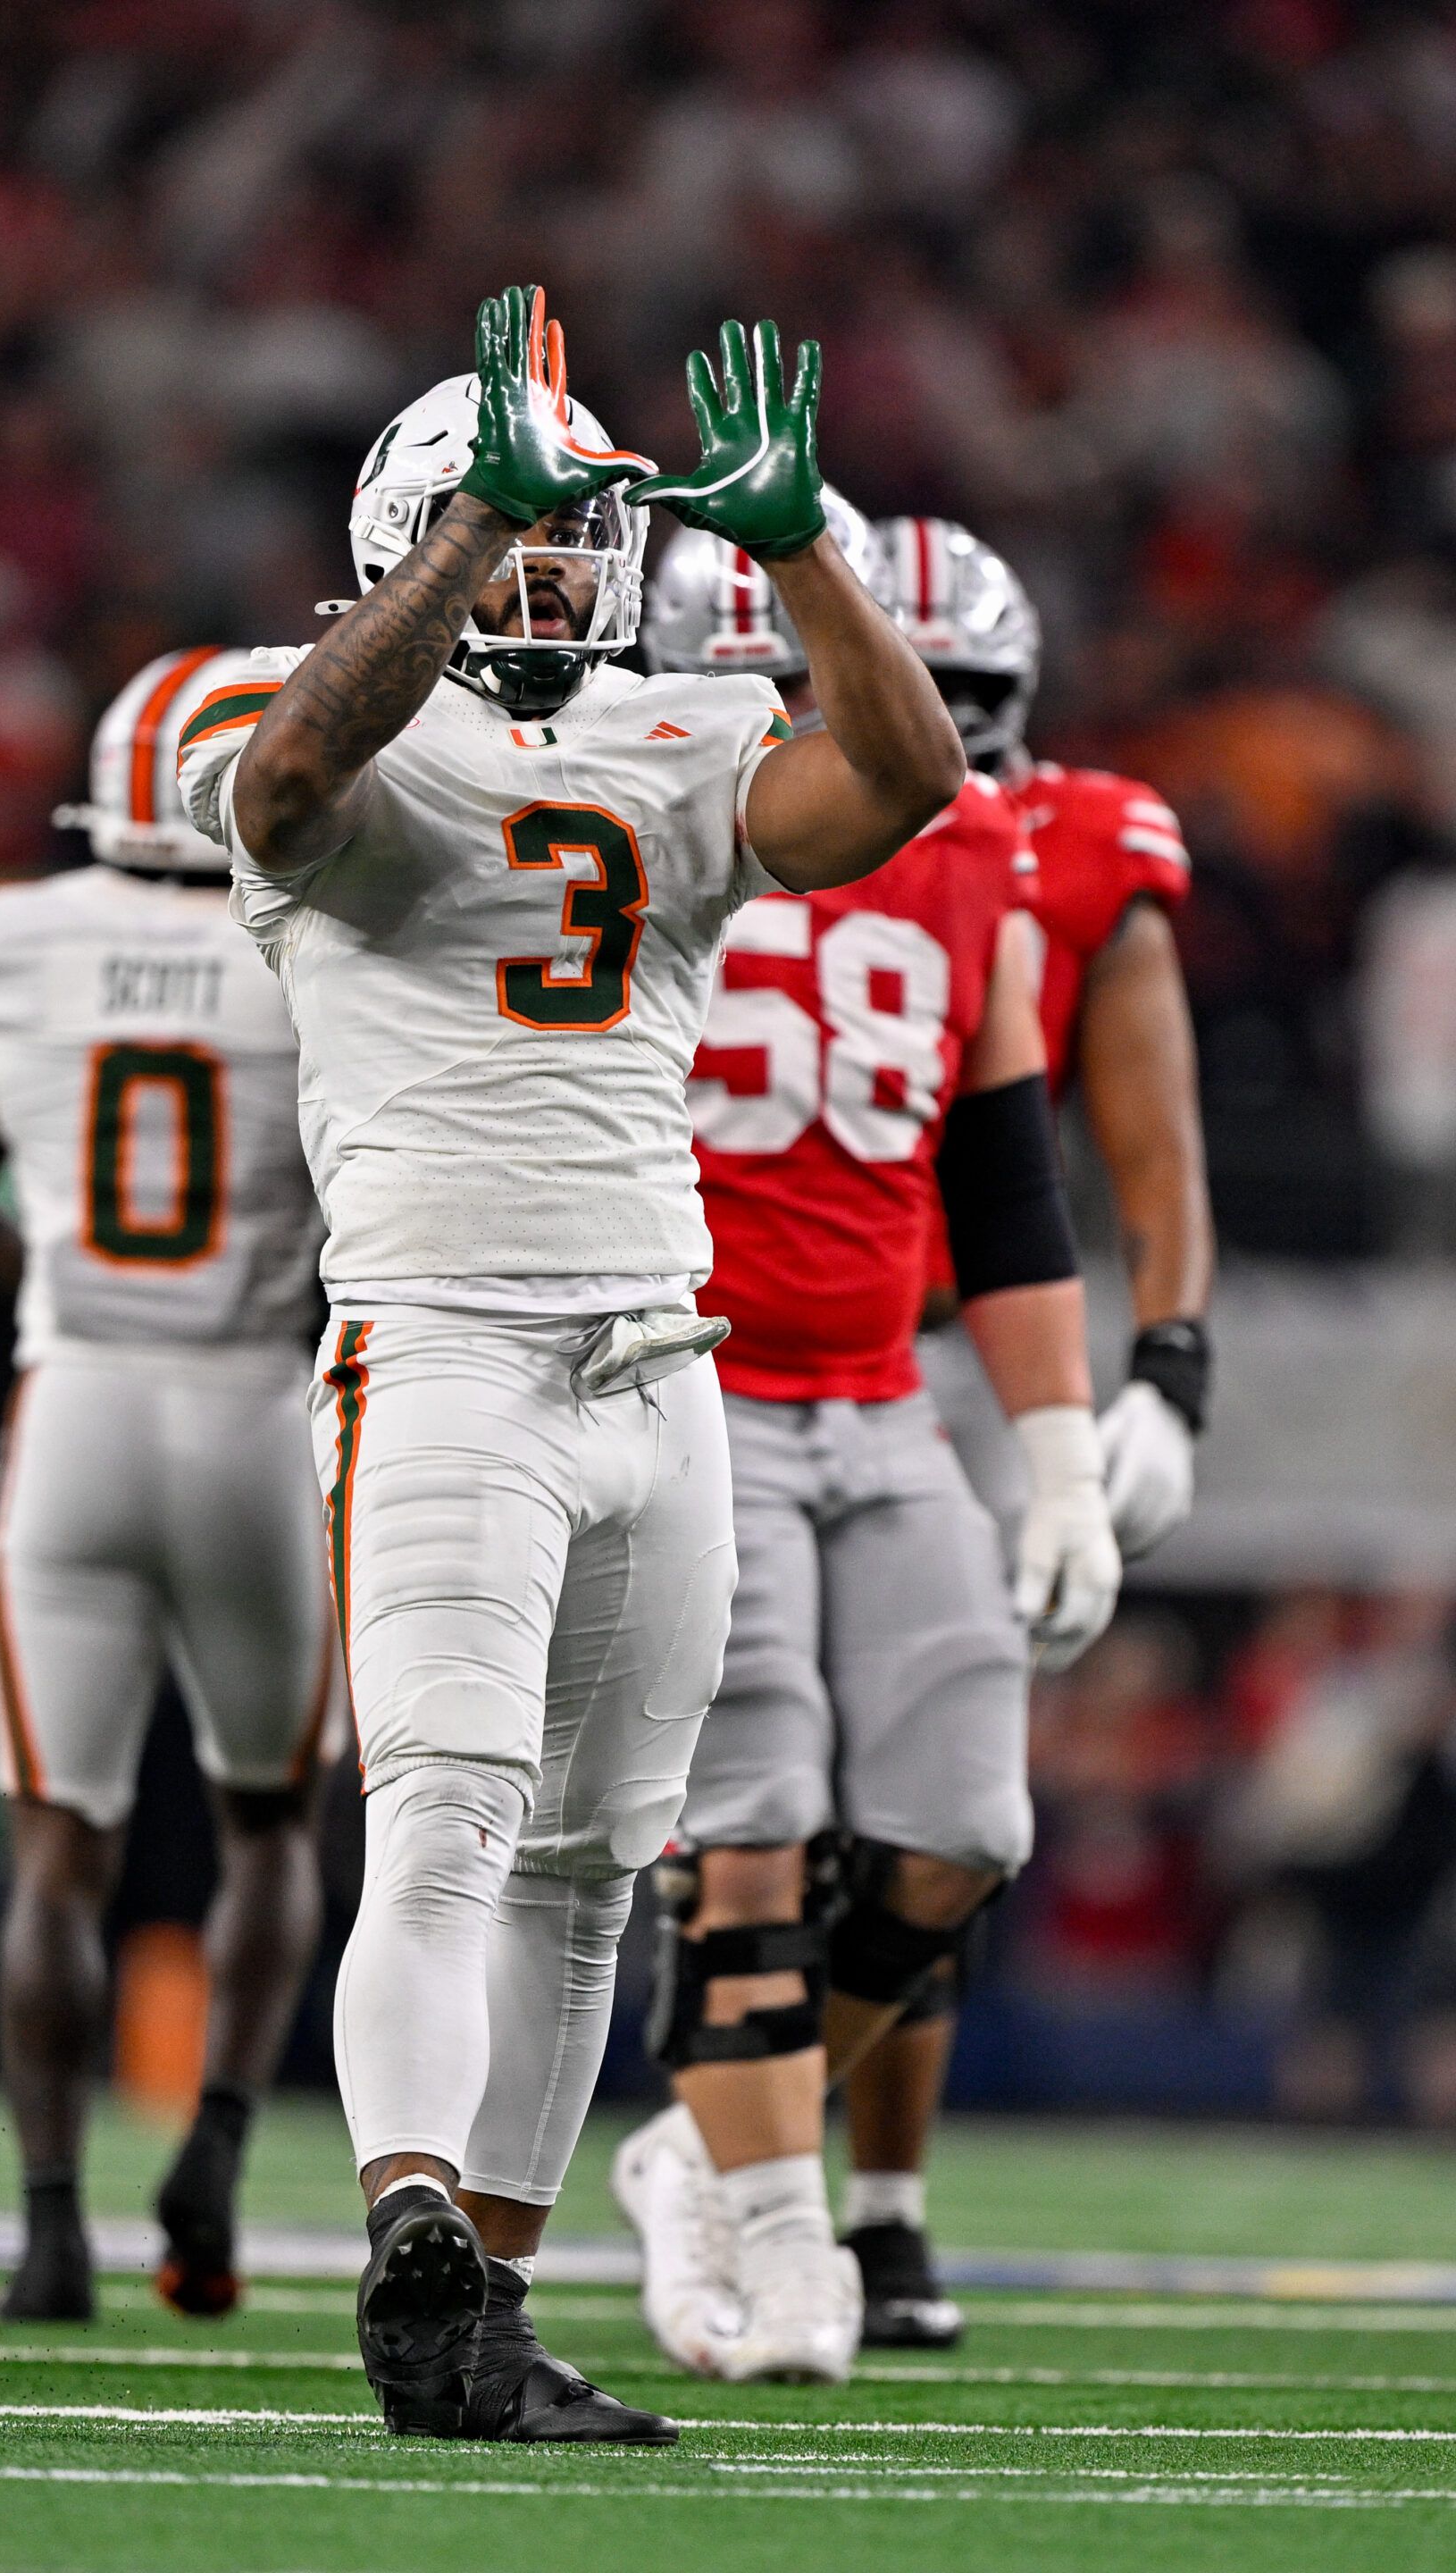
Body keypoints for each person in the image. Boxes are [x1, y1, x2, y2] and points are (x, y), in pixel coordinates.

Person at [177, 283, 965, 2443]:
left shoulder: (682, 731)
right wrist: (451, 554)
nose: (554, 562)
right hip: (442, 1350)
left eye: (565, 530)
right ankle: (410, 2213)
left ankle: (484, 2310)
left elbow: (907, 778)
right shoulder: (304, 697)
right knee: (441, 1814)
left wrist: (808, 550)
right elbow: (294, 781)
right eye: (507, 524)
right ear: (410, 524)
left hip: (660, 1361)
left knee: (596, 1862)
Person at [613, 513, 1120, 2382]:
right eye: (756, 679)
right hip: (692, 1387)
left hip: (880, 1401)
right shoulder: (633, 813)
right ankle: (784, 2242)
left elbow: (1003, 1182)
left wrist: (1057, 1450)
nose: (795, 714)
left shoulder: (968, 843)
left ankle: (697, 2152)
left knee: (963, 1829)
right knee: (746, 1848)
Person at [841, 520, 1213, 2350]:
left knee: (945, 1804)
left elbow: (1146, 1131)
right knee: (722, 1810)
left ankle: (875, 2201)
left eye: (966, 698)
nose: (933, 730)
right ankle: (723, 2151)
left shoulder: (1071, 844)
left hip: (970, 1346)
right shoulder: (718, 793)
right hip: (727, 1339)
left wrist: (1175, 1361)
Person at [0, 650, 337, 2326]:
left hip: (77, 1405)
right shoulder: (315, 955)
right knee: (267, 1830)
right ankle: (219, 2162)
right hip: (255, 1413)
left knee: (58, 1854)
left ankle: (46, 2233)